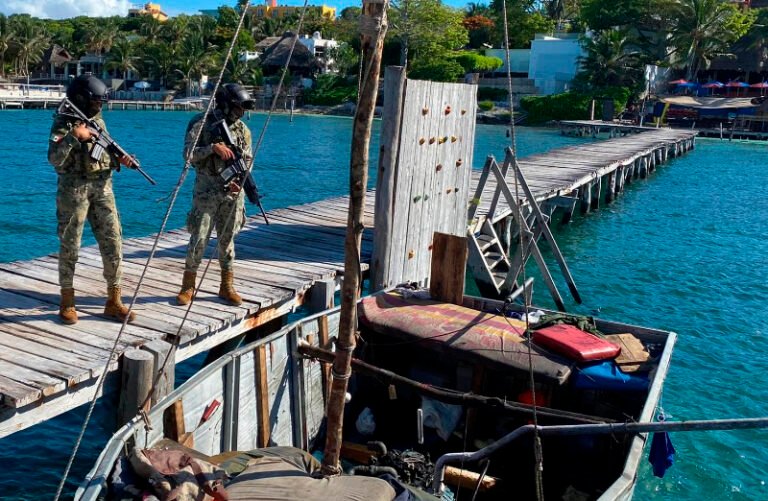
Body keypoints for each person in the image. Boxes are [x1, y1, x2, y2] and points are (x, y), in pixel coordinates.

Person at [48, 74, 137, 324]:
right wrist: (74, 136)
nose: (99, 106)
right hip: (74, 190)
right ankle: (67, 301)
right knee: (70, 245)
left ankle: (114, 300)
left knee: (113, 241)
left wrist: (121, 159)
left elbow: (104, 149)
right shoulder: (63, 122)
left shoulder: (97, 120)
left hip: (103, 188)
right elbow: (54, 159)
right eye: (96, 101)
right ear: (82, 99)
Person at [176, 83, 254, 307]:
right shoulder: (201, 123)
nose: (241, 112)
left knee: (227, 241)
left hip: (232, 194)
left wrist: (240, 183)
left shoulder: (243, 130)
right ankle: (188, 285)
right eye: (238, 107)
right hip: (207, 191)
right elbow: (188, 154)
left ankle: (227, 285)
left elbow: (248, 161)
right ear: (226, 104)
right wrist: (212, 148)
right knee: (199, 238)